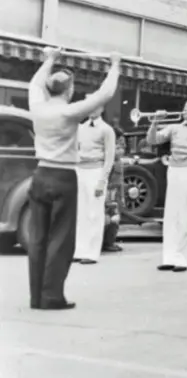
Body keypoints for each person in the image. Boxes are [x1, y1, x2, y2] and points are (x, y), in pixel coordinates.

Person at [26, 47, 120, 310]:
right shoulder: (69, 112)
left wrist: (50, 60)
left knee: (38, 238)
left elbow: (35, 83)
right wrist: (114, 65)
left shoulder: (38, 107)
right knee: (60, 238)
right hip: (64, 175)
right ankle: (52, 296)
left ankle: (37, 297)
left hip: (40, 173)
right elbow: (105, 93)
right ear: (68, 90)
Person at [146, 98, 187, 272]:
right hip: (173, 171)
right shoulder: (174, 128)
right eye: (184, 106)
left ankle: (182, 259)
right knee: (171, 216)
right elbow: (152, 140)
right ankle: (169, 258)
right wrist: (155, 122)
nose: (185, 109)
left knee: (186, 216)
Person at [73, 106, 116, 264]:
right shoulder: (81, 128)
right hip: (80, 170)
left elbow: (109, 158)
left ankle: (91, 253)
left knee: (94, 213)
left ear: (102, 108)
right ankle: (79, 250)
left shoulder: (106, 130)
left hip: (96, 171)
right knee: (80, 212)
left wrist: (102, 180)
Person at [102, 136, 126, 254]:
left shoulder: (120, 162)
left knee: (116, 219)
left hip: (117, 193)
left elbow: (121, 182)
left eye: (122, 148)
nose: (120, 151)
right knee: (110, 218)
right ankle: (106, 242)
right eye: (117, 148)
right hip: (110, 193)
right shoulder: (109, 163)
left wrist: (122, 196)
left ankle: (111, 241)